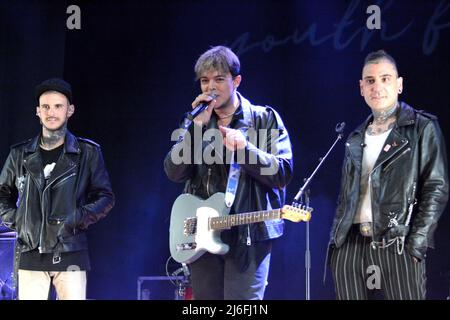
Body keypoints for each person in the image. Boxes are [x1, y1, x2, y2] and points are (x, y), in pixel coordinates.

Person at [164, 46, 293, 300]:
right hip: (203, 235)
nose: (210, 87)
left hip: (248, 236)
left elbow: (283, 172)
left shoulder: (264, 119)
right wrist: (196, 131)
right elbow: (173, 171)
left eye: (219, 79)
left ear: (236, 81)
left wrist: (245, 149)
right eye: (204, 81)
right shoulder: (195, 122)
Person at [328, 50, 449, 300]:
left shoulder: (421, 127)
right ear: (362, 88)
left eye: (385, 78)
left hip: (397, 244)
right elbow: (346, 197)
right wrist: (336, 246)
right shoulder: (355, 137)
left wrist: (416, 243)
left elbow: (436, 187)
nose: (377, 87)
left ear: (399, 84)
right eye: (370, 81)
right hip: (350, 246)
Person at [0, 78, 115, 300]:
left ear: (70, 110)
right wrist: (20, 221)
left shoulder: (88, 152)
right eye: (46, 107)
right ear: (38, 111)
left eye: (58, 106)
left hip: (71, 249)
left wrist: (77, 218)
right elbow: (2, 194)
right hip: (30, 251)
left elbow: (105, 196)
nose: (51, 112)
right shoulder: (20, 154)